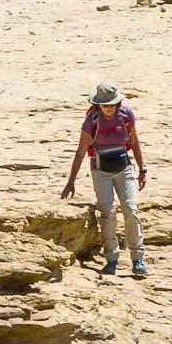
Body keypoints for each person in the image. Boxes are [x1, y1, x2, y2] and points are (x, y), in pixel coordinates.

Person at [62, 82, 147, 278]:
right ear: (98, 104)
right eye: (105, 104)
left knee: (131, 209)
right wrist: (71, 181)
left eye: (113, 103)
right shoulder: (92, 119)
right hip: (101, 170)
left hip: (124, 167)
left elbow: (134, 142)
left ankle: (137, 259)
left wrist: (142, 169)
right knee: (108, 212)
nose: (110, 107)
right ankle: (112, 259)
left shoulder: (125, 115)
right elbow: (82, 150)